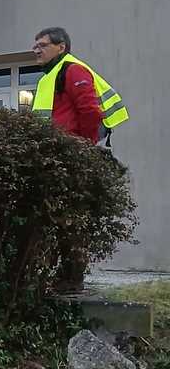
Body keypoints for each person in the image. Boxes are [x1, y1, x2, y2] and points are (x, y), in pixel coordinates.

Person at [30, 27, 129, 291]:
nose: (36, 50)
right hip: (59, 156)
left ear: (61, 47)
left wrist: (82, 148)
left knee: (70, 220)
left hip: (71, 156)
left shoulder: (72, 71)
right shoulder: (51, 76)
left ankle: (71, 279)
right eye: (35, 46)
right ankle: (64, 276)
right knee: (59, 218)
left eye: (42, 45)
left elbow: (90, 111)